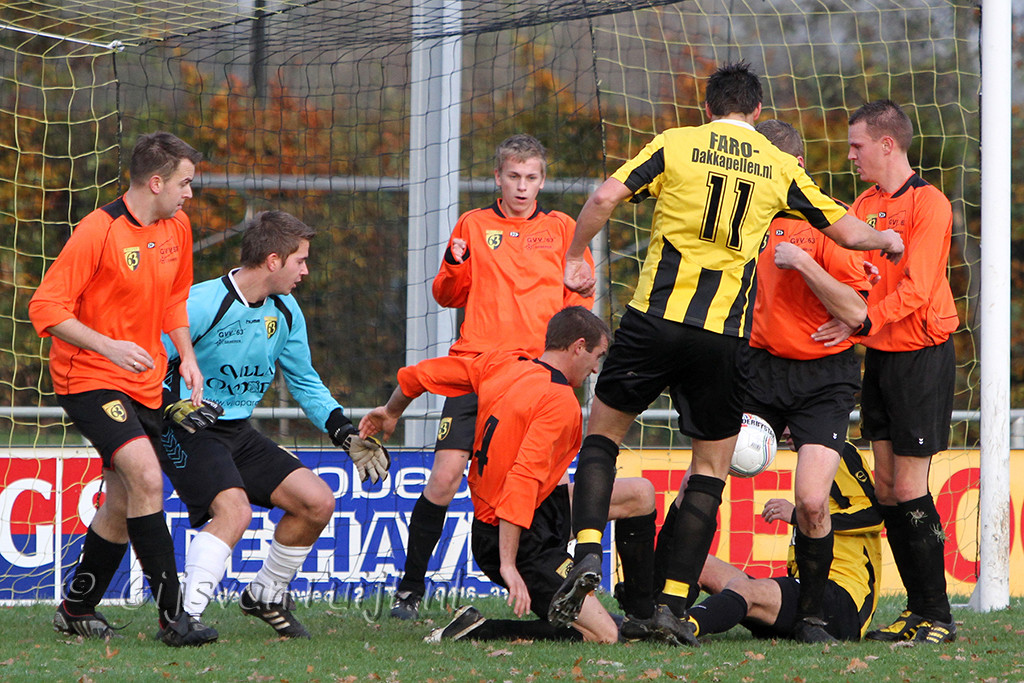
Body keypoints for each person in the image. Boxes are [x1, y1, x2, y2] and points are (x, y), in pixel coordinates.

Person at [549, 61, 904, 640]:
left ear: (708, 109)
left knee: (603, 436)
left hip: (653, 320)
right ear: (757, 111)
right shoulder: (776, 165)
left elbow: (605, 196)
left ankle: (587, 549)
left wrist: (574, 256)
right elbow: (847, 230)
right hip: (721, 338)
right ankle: (671, 603)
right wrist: (886, 237)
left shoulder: (676, 143)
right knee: (710, 471)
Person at [157, 210, 390, 639]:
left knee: (317, 502)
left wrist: (344, 432)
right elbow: (151, 362)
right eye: (300, 260)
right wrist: (172, 406)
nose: (305, 270)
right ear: (272, 260)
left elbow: (304, 380)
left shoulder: (285, 310)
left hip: (237, 430)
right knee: (234, 512)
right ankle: (182, 619)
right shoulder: (202, 302)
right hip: (187, 429)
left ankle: (265, 594)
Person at [390, 134, 594, 620]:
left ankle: (551, 574)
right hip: (476, 370)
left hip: (531, 383)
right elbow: (447, 295)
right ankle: (409, 590)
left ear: (542, 181)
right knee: (444, 477)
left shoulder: (564, 229)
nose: (522, 187)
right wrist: (455, 265)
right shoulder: (473, 224)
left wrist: (583, 289)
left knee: (532, 483)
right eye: (513, 176)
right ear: (497, 178)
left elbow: (577, 310)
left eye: (531, 177)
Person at [28, 132, 217, 647]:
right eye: (184, 183)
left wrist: (188, 357)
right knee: (147, 478)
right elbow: (45, 308)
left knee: (120, 499)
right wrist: (107, 346)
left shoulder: (177, 226)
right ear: (156, 182)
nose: (190, 193)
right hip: (88, 377)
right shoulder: (99, 230)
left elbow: (175, 300)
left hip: (144, 380)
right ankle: (174, 619)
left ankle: (76, 607)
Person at [362, 306, 629, 644]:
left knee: (640, 494)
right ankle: (480, 628)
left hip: (532, 519)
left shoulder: (503, 364)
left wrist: (391, 411)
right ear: (578, 346)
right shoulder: (560, 401)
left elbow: (422, 375)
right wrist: (508, 565)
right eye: (597, 356)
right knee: (605, 635)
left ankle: (643, 610)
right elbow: (521, 481)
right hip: (521, 541)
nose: (595, 368)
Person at [735, 119, 874, 643]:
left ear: (792, 166)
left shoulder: (828, 220)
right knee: (705, 478)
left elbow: (857, 313)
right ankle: (663, 600)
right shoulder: (740, 219)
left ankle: (813, 620)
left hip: (822, 377)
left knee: (813, 503)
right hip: (758, 368)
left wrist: (803, 263)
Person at [839, 99, 959, 644]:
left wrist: (860, 323)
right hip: (881, 356)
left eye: (858, 145)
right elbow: (853, 275)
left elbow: (917, 290)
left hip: (920, 357)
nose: (851, 155)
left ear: (888, 144)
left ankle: (938, 615)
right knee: (887, 487)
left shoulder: (929, 203)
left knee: (910, 485)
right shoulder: (864, 204)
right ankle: (916, 609)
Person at [684, 442, 883, 643]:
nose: (785, 431)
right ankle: (669, 618)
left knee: (743, 588)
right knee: (700, 564)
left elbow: (874, 515)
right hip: (806, 596)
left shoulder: (835, 451)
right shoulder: (810, 460)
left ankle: (686, 626)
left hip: (841, 603)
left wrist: (799, 516)